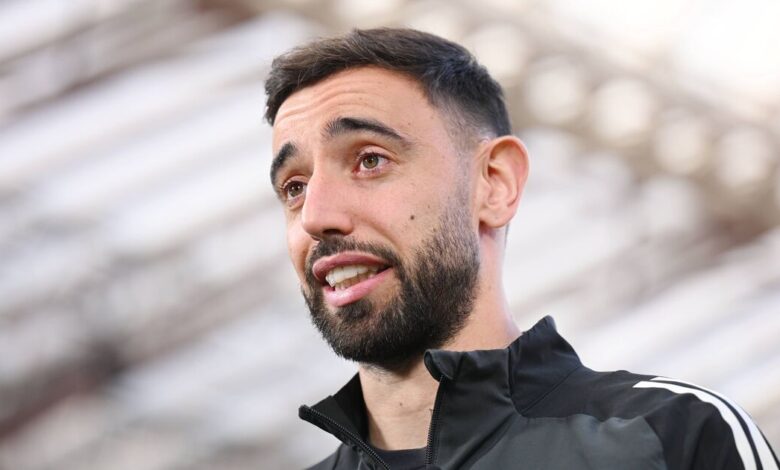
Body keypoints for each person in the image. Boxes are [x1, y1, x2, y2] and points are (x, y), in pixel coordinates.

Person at [264, 28, 779, 470]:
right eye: (294, 187)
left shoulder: (672, 437)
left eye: (370, 160)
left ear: (495, 183)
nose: (315, 216)